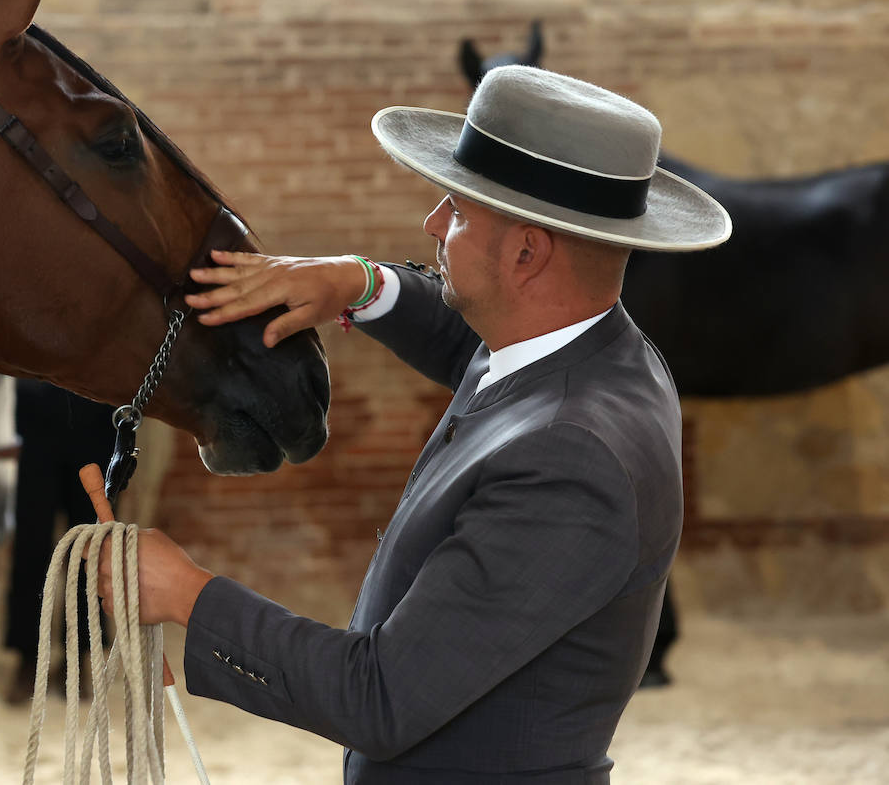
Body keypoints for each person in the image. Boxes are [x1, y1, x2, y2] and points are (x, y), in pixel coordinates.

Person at [96, 65, 731, 783]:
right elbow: (473, 345)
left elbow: (380, 698)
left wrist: (186, 593)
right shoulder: (599, 353)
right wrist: (359, 282)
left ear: (528, 252)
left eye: (457, 212)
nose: (432, 223)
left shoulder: (569, 459)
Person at [4, 378, 117, 703]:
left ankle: (76, 662)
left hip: (97, 424)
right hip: (37, 421)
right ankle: (28, 660)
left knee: (91, 554)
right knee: (31, 547)